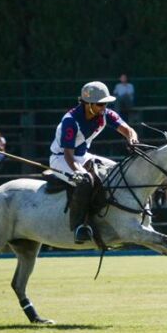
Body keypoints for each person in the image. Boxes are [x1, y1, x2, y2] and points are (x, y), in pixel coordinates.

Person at [50, 81, 139, 244]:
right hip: (61, 158)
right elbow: (68, 154)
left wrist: (132, 139)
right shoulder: (70, 121)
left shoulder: (106, 114)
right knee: (85, 181)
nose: (104, 107)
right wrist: (79, 171)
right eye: (100, 104)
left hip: (83, 155)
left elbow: (128, 130)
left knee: (116, 170)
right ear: (87, 103)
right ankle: (80, 226)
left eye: (106, 103)